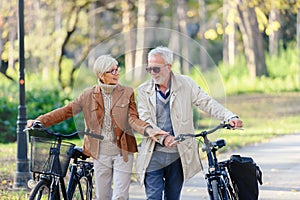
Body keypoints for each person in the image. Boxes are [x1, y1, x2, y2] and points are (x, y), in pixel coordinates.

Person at [27, 55, 167, 200]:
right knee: (102, 196)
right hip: (100, 153)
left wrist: (149, 130)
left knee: (120, 196)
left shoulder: (127, 92)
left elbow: (133, 119)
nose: (117, 73)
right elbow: (66, 111)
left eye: (117, 69)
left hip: (123, 152)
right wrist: (39, 121)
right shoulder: (88, 95)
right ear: (101, 75)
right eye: (112, 71)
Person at [136, 46, 243, 200]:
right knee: (153, 197)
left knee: (173, 197)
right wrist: (163, 138)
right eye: (149, 69)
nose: (152, 73)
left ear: (169, 67)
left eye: (156, 69)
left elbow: (206, 102)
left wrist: (229, 116)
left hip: (178, 153)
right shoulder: (143, 90)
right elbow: (145, 119)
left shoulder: (186, 84)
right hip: (153, 153)